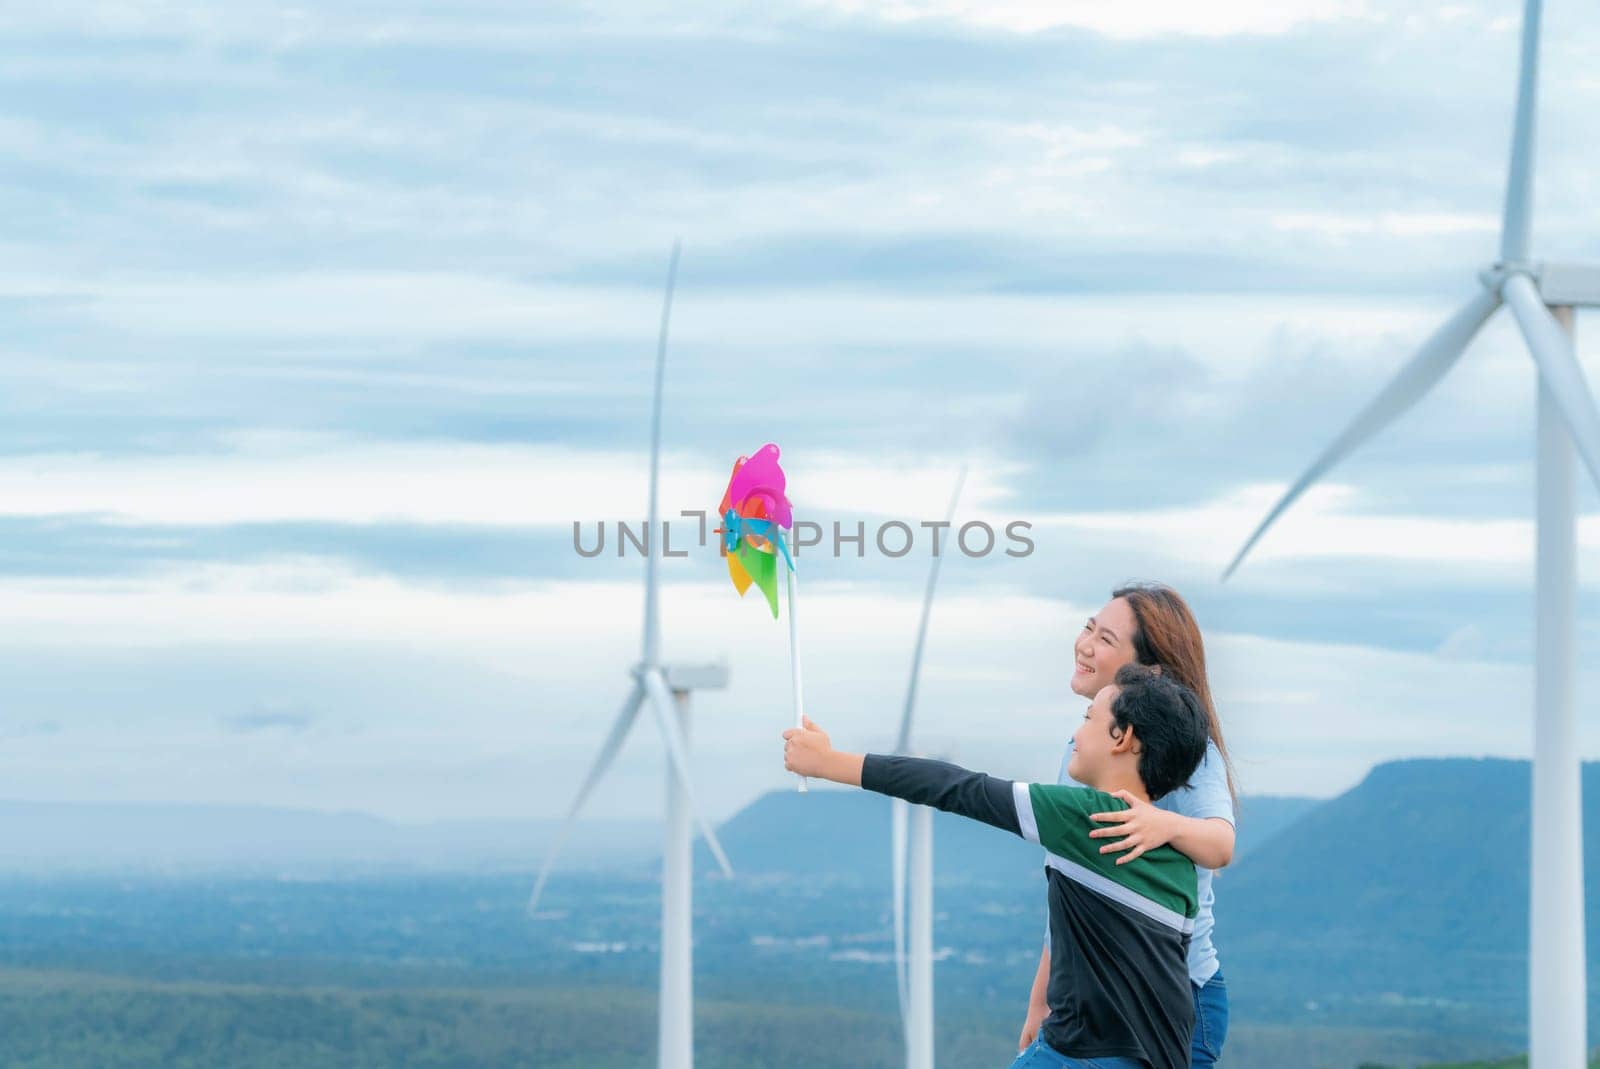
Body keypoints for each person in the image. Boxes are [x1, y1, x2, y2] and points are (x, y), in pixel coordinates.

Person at [784, 663, 1210, 1069]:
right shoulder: (1179, 860)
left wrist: (830, 763)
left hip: (1081, 1054)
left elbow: (960, 789)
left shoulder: (1089, 818)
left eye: (1088, 717)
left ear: (1123, 738)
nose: (1076, 733)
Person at [1022, 583, 1238, 1068]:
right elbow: (1068, 884)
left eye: (1106, 639)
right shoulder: (1081, 751)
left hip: (1173, 1001)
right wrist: (1042, 999)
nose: (1085, 644)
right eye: (1088, 628)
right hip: (1090, 1005)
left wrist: (1160, 823)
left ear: (1150, 671)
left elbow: (1221, 844)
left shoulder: (1191, 752)